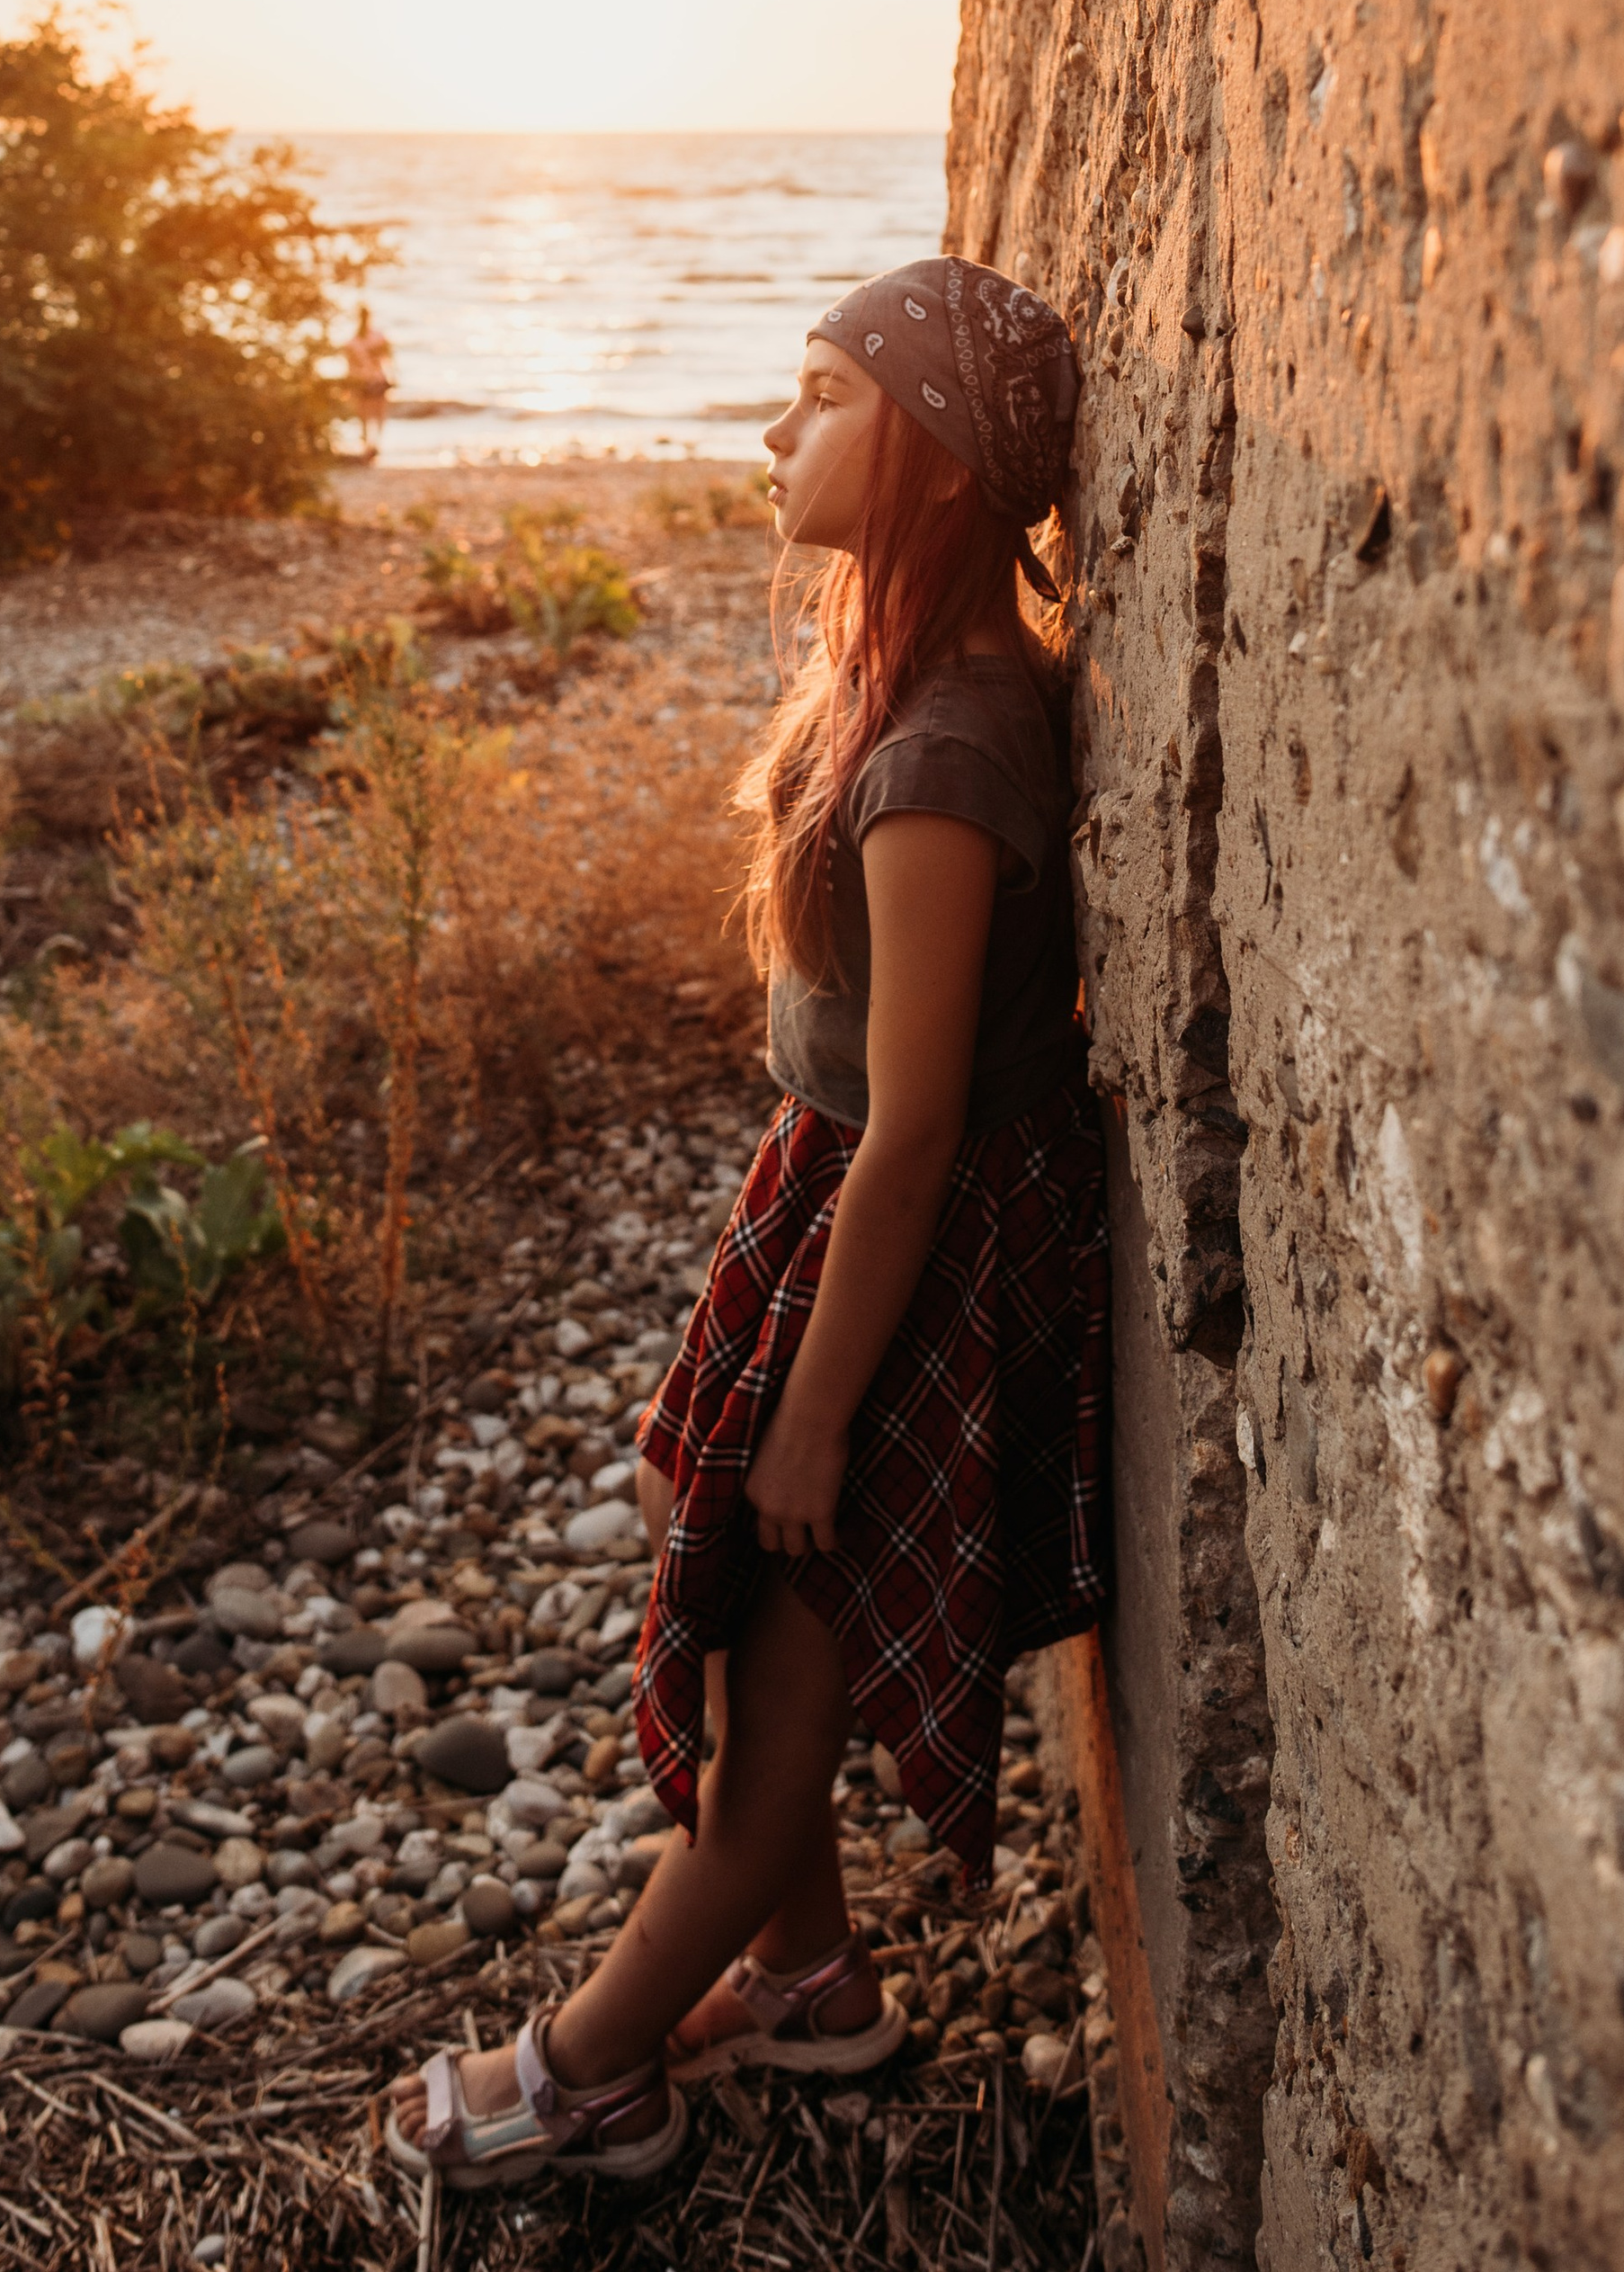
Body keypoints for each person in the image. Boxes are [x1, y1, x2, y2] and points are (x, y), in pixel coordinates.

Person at [388, 256, 1111, 2191]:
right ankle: (803, 1973)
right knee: (676, 1508)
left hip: (914, 1235)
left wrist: (813, 1409)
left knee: (772, 1664)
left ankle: (584, 2072)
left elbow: (931, 1121)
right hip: (828, 1192)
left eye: (818, 396)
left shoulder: (942, 752)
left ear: (939, 465)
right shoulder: (882, 677)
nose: (768, 430)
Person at [344, 309, 393, 461]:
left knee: (366, 415)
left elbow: (350, 366)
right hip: (371, 380)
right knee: (375, 415)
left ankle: (370, 446)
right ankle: (372, 446)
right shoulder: (377, 338)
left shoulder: (354, 341)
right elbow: (389, 359)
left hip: (367, 380)